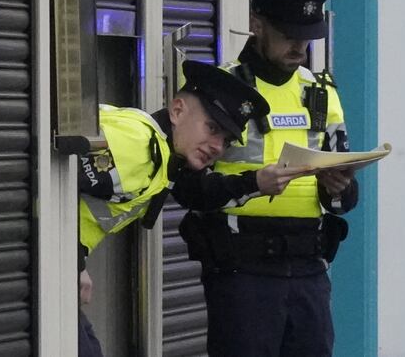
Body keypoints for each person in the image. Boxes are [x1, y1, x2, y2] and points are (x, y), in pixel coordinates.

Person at [172, 0, 359, 356]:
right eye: (289, 34)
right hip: (243, 269)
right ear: (257, 25)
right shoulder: (218, 88)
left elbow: (345, 198)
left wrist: (338, 188)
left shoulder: (320, 91)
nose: (300, 46)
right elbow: (189, 186)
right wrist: (255, 181)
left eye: (307, 36)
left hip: (309, 266)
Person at [76, 60, 309, 357]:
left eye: (225, 140)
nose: (217, 146)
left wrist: (256, 182)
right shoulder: (139, 145)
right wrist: (74, 264)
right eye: (211, 127)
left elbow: (198, 191)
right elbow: (53, 182)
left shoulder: (164, 155)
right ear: (177, 111)